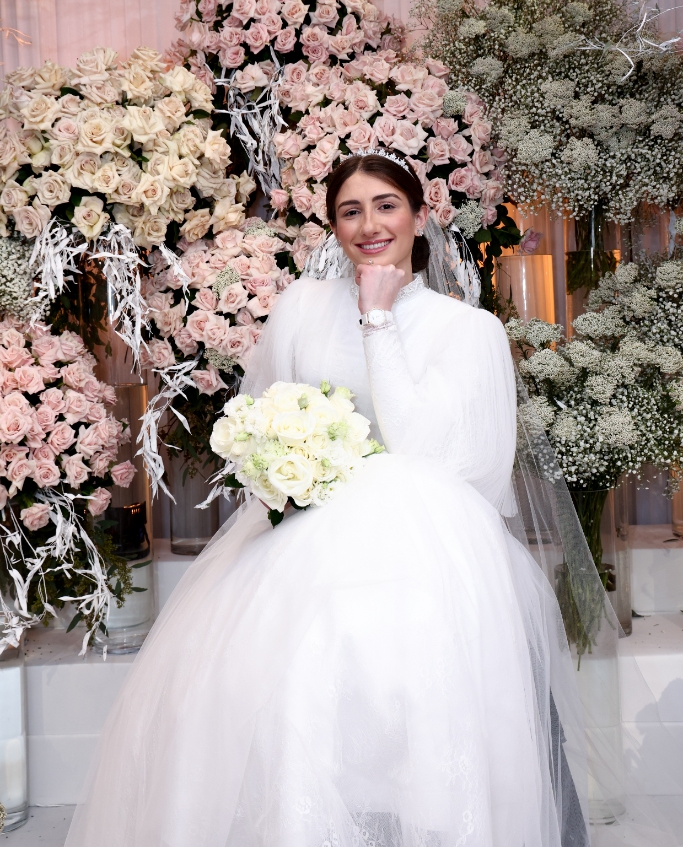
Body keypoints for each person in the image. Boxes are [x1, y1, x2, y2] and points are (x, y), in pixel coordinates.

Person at [65, 152, 590, 847]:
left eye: (386, 206)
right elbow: (264, 416)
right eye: (350, 211)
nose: (369, 225)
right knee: (275, 690)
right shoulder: (302, 306)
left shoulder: (468, 330)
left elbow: (430, 453)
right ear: (333, 228)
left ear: (420, 216)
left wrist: (378, 318)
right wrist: (285, 465)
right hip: (303, 534)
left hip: (424, 547)